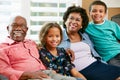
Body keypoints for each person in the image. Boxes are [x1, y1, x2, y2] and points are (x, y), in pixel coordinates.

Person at [0, 15, 74, 80]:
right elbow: (4, 71)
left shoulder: (31, 43)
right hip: (28, 77)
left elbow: (49, 45)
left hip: (45, 73)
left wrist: (65, 50)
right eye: (14, 25)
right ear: (8, 28)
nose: (18, 28)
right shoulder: (3, 48)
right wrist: (30, 75)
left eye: (22, 26)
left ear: (26, 29)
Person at [58, 5, 120, 80]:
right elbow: (46, 46)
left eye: (78, 20)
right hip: (81, 70)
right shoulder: (58, 36)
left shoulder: (85, 35)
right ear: (65, 20)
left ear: (81, 25)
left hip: (97, 64)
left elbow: (101, 38)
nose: (74, 22)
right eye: (71, 18)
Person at [85, 0, 120, 67]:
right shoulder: (87, 27)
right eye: (94, 11)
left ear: (105, 14)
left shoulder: (112, 24)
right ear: (89, 13)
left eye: (101, 11)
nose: (97, 13)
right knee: (117, 72)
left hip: (118, 50)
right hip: (109, 58)